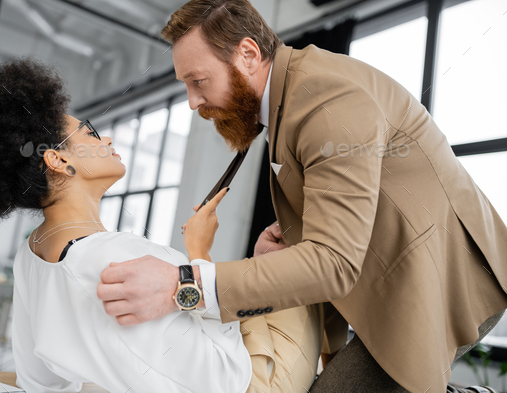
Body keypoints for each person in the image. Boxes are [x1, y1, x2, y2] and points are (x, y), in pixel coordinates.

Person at [96, 1, 507, 392]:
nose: (192, 102)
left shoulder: (326, 98)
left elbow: (334, 262)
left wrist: (181, 284)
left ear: (248, 54)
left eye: (198, 81)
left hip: (448, 285)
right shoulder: (289, 99)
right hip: (390, 283)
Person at [0, 58, 322, 392]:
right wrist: (199, 255)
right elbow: (221, 379)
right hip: (252, 381)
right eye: (88, 131)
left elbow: (40, 384)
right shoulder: (111, 255)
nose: (105, 137)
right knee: (322, 253)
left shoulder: (32, 254)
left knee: (280, 263)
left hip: (236, 352)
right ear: (57, 161)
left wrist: (243, 267)